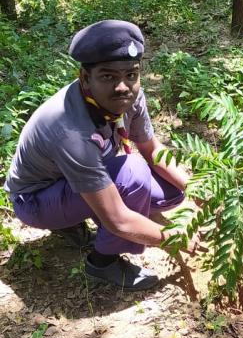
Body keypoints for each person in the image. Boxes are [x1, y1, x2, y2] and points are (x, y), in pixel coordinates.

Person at [4, 20, 198, 291]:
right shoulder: (69, 129)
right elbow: (118, 218)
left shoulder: (129, 96)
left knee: (172, 192)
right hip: (36, 199)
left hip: (73, 181)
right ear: (85, 77)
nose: (122, 86)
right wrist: (170, 237)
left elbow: (152, 150)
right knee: (134, 175)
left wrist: (195, 187)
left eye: (131, 74)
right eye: (108, 76)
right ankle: (103, 262)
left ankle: (83, 215)